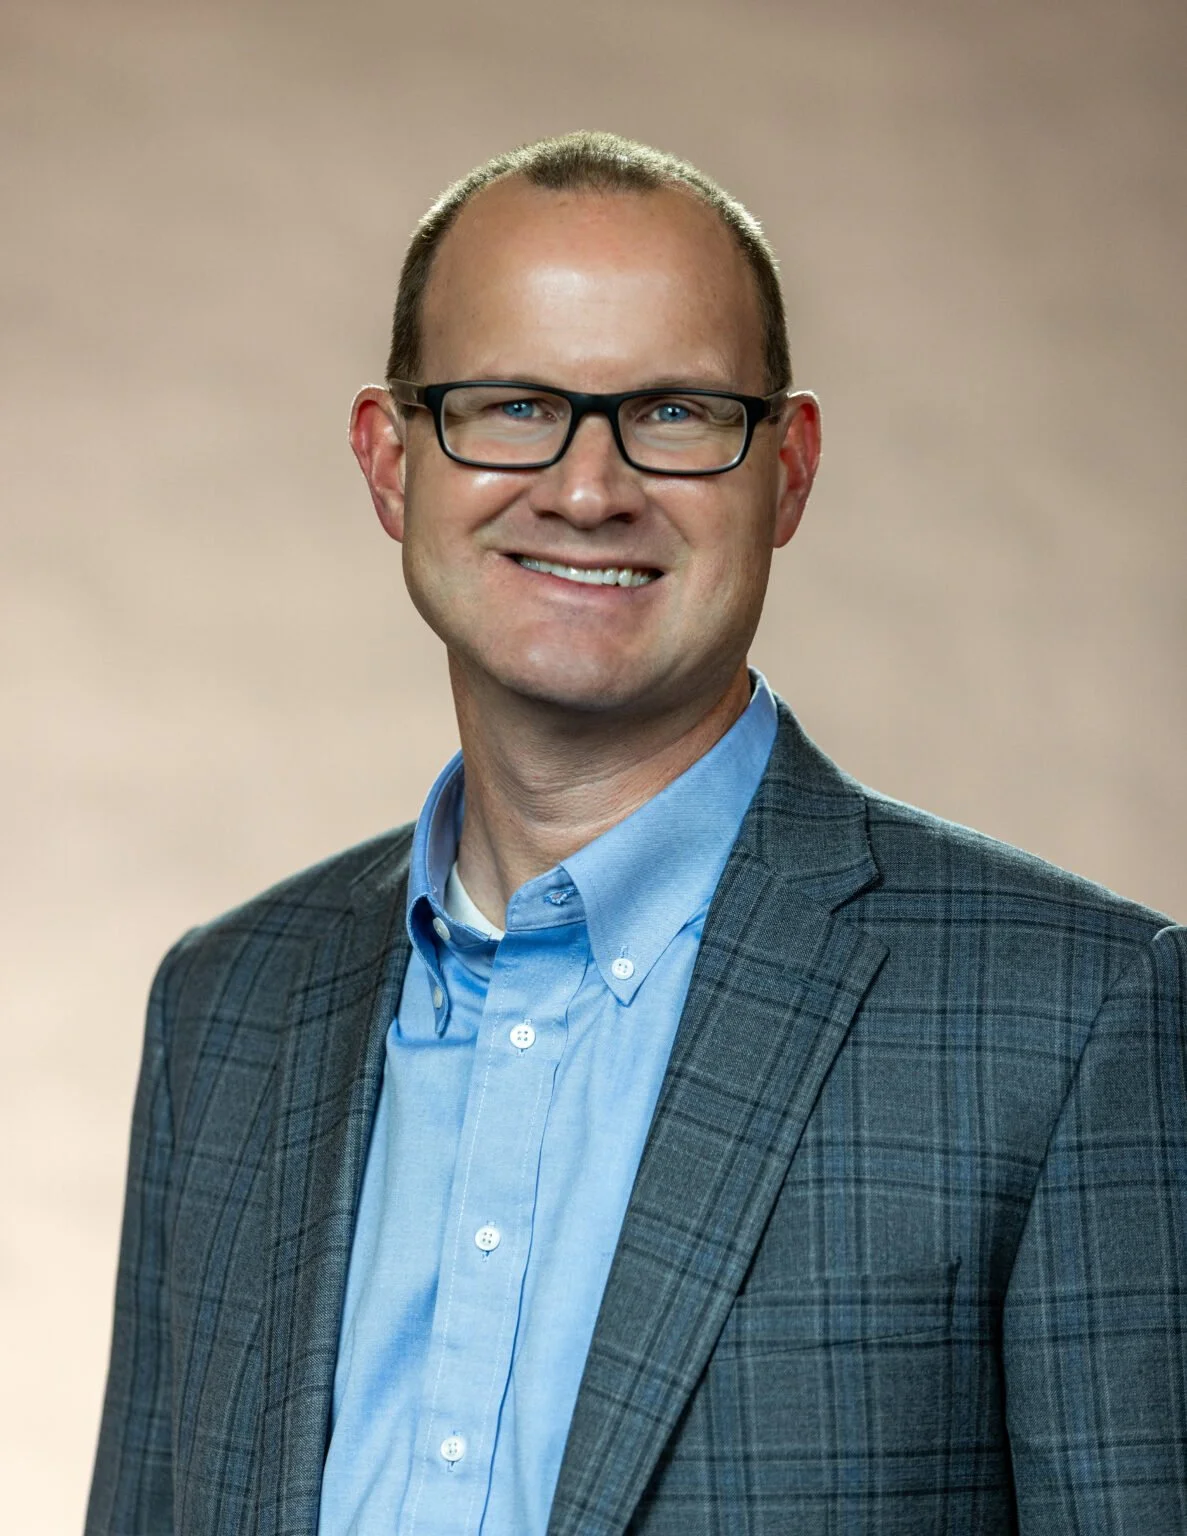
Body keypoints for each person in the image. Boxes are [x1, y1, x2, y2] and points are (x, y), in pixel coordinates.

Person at [86, 131, 1186, 1536]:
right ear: (387, 461)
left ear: (785, 471)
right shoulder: (227, 1009)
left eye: (672, 412)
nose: (589, 486)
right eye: (508, 405)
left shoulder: (1068, 1021)